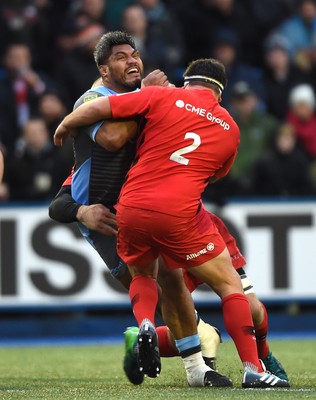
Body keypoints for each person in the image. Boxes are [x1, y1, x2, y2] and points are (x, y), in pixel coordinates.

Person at [54, 57, 289, 388]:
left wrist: (65, 124)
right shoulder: (229, 127)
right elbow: (216, 173)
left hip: (131, 208)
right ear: (219, 94)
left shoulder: (160, 98)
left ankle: (144, 330)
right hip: (183, 214)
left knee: (160, 286)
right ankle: (255, 364)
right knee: (229, 297)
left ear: (185, 81)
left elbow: (103, 108)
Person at [51, 31, 231, 388]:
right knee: (165, 299)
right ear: (104, 70)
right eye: (121, 57)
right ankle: (176, 342)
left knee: (174, 285)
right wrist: (82, 212)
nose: (132, 60)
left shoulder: (148, 101)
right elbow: (111, 141)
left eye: (134, 54)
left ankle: (194, 363)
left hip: (145, 204)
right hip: (108, 220)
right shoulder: (92, 98)